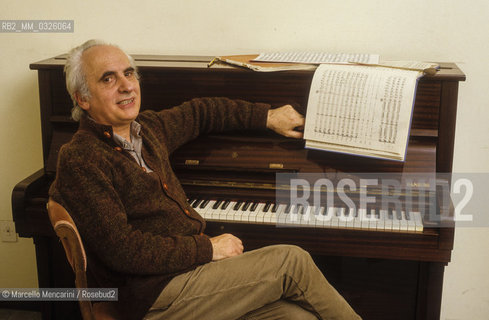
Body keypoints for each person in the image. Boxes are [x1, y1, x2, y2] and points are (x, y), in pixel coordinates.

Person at [49, 39, 361, 320]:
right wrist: (207, 249)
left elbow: (202, 112)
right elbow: (123, 250)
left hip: (189, 276)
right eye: (108, 78)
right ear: (83, 99)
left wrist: (267, 117)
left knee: (296, 317)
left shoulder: (147, 129)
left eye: (129, 74)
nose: (126, 86)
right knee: (292, 262)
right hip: (153, 296)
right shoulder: (82, 158)